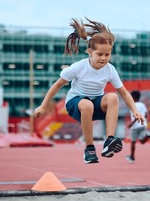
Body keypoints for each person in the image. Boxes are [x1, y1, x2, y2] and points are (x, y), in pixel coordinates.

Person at [33, 18, 144, 164]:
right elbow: (57, 85)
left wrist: (134, 110)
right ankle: (89, 149)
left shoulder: (110, 70)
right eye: (100, 54)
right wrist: (43, 105)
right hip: (75, 104)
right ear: (90, 52)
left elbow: (123, 92)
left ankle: (109, 140)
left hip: (96, 103)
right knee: (86, 105)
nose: (104, 58)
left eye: (107, 55)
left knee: (112, 97)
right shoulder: (79, 67)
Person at [126, 90, 150, 163]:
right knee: (141, 141)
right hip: (143, 124)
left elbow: (136, 116)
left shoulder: (133, 105)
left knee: (133, 142)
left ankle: (132, 157)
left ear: (133, 97)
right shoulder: (142, 104)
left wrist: (131, 124)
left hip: (135, 126)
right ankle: (146, 136)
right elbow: (146, 115)